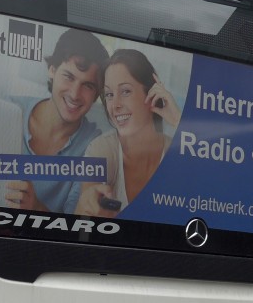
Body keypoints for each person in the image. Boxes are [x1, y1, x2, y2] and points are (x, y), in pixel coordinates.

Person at [0, 29, 109, 212]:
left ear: (96, 94)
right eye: (68, 77)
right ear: (52, 70)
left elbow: (75, 228)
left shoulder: (95, 148)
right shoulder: (5, 112)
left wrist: (36, 207)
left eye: (88, 85)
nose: (75, 94)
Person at [74, 48, 180, 218]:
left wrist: (178, 121)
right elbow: (85, 218)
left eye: (125, 91)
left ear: (151, 93)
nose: (115, 105)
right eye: (109, 94)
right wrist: (87, 208)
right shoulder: (101, 150)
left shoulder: (177, 153)